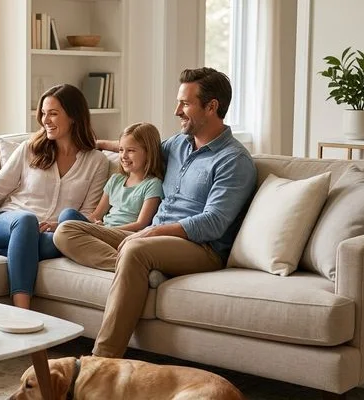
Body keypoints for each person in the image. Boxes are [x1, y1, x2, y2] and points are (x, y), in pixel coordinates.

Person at [54, 67, 257, 358]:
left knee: (136, 250)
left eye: (185, 103)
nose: (177, 111)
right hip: (150, 239)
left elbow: (214, 222)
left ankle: (102, 360)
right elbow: (139, 149)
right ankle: (141, 273)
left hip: (200, 248)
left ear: (212, 107)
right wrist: (95, 144)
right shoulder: (178, 145)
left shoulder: (233, 160)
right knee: (67, 230)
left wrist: (153, 231)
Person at [0, 84, 110, 309]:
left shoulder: (97, 162)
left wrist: (58, 225)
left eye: (53, 114)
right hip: (10, 222)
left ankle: (5, 253)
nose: (45, 120)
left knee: (59, 240)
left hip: (49, 232)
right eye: (43, 113)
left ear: (74, 116)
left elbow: (85, 214)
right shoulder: (30, 149)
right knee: (26, 220)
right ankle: (23, 311)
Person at [55, 122, 164, 249]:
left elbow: (141, 224)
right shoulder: (116, 180)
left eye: (131, 151)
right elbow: (96, 215)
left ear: (148, 152)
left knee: (68, 222)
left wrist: (104, 231)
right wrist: (57, 225)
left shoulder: (152, 184)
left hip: (124, 234)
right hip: (103, 230)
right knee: (67, 215)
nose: (123, 156)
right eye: (121, 150)